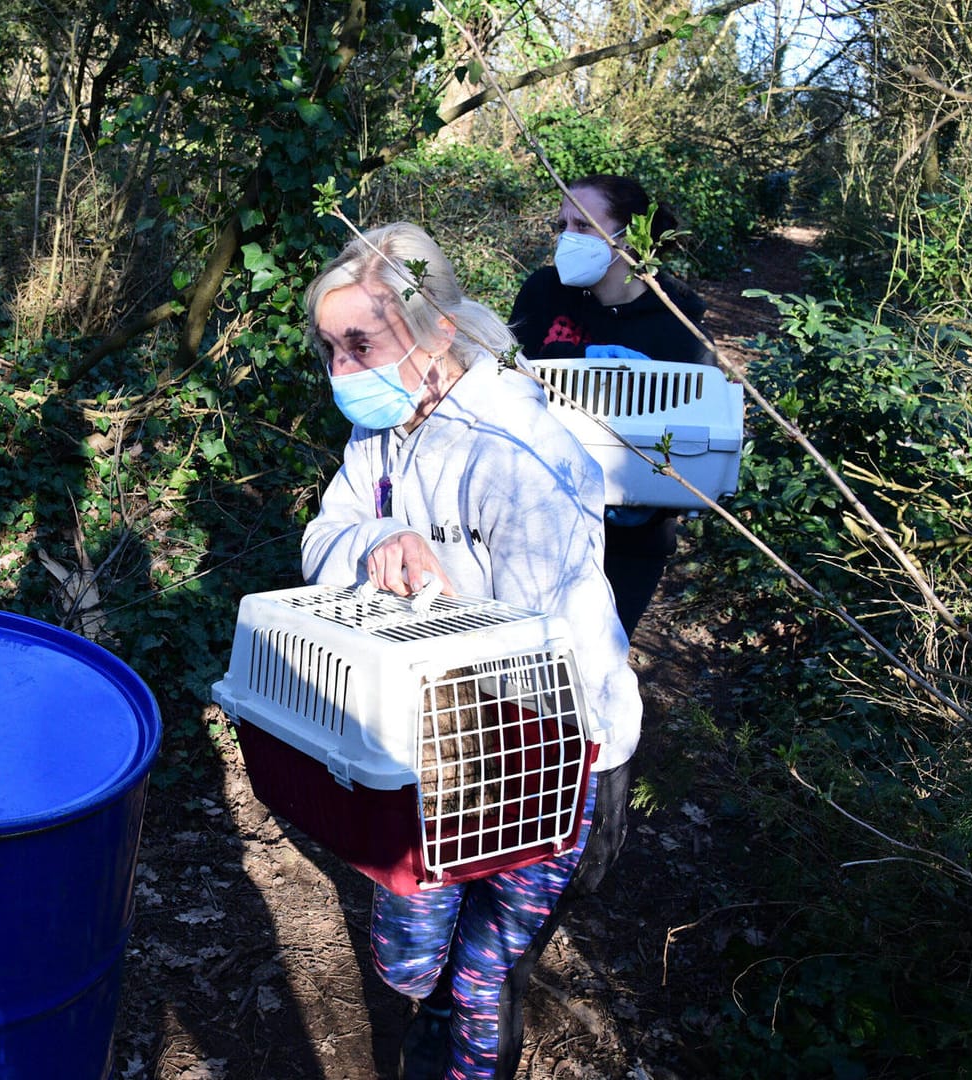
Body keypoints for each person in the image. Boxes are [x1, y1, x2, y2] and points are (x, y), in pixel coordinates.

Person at [300, 222, 641, 1080]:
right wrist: (380, 539)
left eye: (361, 344)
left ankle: (458, 1049)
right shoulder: (381, 431)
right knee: (413, 955)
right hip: (434, 737)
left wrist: (444, 599)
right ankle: (434, 1005)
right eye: (331, 349)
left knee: (488, 972)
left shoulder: (521, 452)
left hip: (552, 747)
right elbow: (323, 535)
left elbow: (543, 644)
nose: (344, 371)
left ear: (438, 329)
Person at [507, 174, 714, 640]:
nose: (567, 239)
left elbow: (694, 435)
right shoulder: (543, 292)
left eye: (583, 227)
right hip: (536, 512)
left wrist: (653, 503)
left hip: (628, 539)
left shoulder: (677, 322)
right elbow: (503, 374)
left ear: (628, 239)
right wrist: (573, 362)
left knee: (593, 661)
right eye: (561, 225)